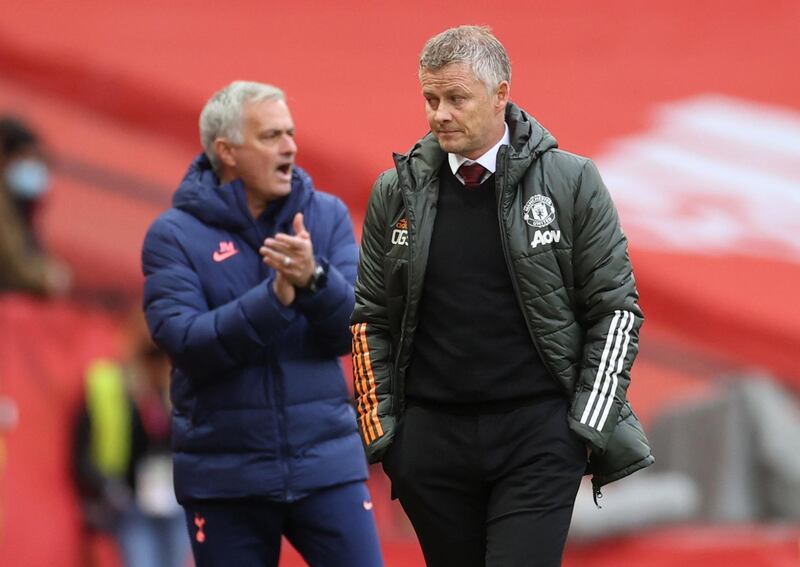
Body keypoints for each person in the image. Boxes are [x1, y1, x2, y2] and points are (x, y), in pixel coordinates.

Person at [351, 25, 654, 567]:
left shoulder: (571, 181)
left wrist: (584, 428)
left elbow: (616, 311)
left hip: (538, 438)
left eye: (455, 98)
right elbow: (369, 317)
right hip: (430, 446)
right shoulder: (393, 191)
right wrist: (387, 439)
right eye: (430, 98)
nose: (439, 113)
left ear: (501, 95)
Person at [141, 81, 383, 567]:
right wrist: (273, 300)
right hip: (225, 479)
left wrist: (313, 280)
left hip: (325, 467)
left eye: (290, 133)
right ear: (227, 152)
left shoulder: (326, 215)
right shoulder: (173, 236)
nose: (290, 146)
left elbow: (354, 333)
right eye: (272, 135)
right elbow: (187, 344)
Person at [72, 310, 189, 567]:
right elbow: (83, 451)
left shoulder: (179, 387)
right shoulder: (110, 386)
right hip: (132, 505)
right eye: (149, 355)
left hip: (175, 504)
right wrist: (108, 487)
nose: (155, 365)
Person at [0, 116, 70, 296]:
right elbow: (11, 264)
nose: (35, 168)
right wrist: (46, 277)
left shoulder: (20, 205)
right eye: (28, 158)